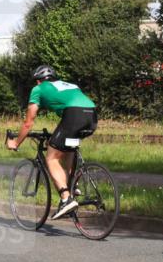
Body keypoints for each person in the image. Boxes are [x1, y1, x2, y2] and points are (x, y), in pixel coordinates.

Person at [7, 65, 98, 220]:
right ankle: (71, 185)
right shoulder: (69, 85)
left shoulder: (38, 89)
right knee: (66, 148)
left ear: (38, 81)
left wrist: (16, 143)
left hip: (74, 115)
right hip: (92, 116)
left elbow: (28, 123)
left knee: (51, 157)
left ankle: (65, 198)